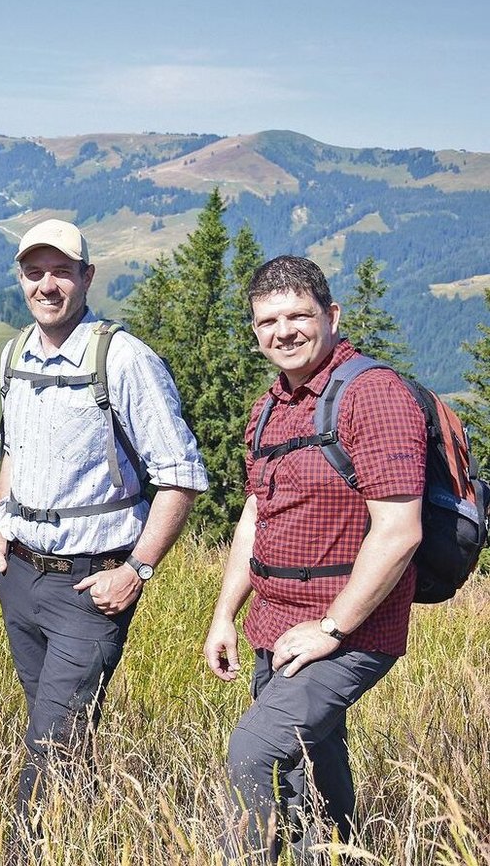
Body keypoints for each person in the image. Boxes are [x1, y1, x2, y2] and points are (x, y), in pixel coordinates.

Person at [0, 220, 208, 844]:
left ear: (88, 276)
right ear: (22, 279)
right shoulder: (14, 354)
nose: (48, 285)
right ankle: (88, 836)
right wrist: (0, 524)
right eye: (35, 272)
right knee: (58, 730)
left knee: (51, 742)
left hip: (92, 585)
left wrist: (136, 571)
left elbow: (181, 476)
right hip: (20, 577)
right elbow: (14, 449)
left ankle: (19, 853)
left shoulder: (125, 359)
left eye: (62, 271)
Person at [203, 256, 424, 862]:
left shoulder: (373, 395)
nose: (284, 331)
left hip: (351, 629)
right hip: (278, 627)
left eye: (299, 315)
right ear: (254, 330)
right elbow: (257, 513)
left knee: (253, 748)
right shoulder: (271, 405)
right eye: (268, 320)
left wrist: (332, 628)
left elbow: (400, 530)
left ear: (332, 315)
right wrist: (226, 613)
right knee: (310, 772)